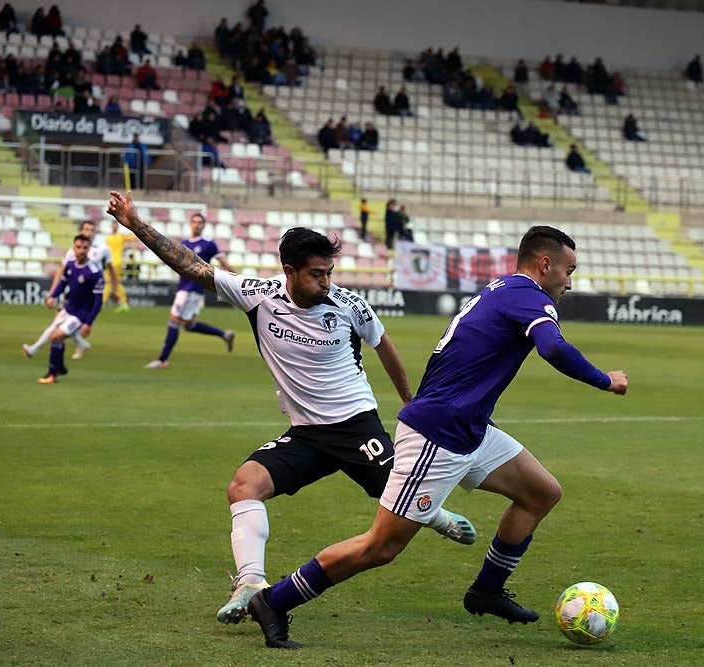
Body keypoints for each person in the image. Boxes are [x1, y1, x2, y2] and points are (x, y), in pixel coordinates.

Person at [240, 225, 628, 649]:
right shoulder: (528, 296)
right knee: (380, 547)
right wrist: (605, 380)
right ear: (545, 264)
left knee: (541, 492)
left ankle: (487, 590)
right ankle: (274, 601)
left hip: (470, 427)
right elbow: (553, 348)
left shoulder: (502, 289)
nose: (569, 282)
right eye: (569, 271)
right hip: (438, 434)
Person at [104, 191, 478, 627]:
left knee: (397, 500)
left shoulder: (349, 304)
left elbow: (383, 343)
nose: (326, 282)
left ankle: (434, 513)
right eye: (317, 274)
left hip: (356, 426)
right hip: (305, 434)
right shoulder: (258, 296)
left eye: (330, 272)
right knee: (244, 486)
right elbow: (190, 264)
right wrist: (135, 223)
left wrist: (410, 402)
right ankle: (250, 583)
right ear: (289, 271)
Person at [143, 213, 236, 369]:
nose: (197, 225)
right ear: (190, 224)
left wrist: (236, 279)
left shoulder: (208, 244)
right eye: (194, 222)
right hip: (184, 287)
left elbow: (223, 262)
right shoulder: (185, 243)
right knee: (187, 324)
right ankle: (224, 334)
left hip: (192, 288)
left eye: (200, 222)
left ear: (204, 225)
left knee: (174, 321)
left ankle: (162, 360)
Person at [22, 234, 104, 384]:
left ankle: (52, 374)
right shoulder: (71, 265)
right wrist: (52, 296)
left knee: (55, 337)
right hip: (68, 309)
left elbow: (98, 302)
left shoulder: (94, 273)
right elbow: (62, 284)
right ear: (74, 248)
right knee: (53, 334)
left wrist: (88, 323)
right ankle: (59, 367)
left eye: (85, 248)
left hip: (80, 316)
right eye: (78, 247)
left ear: (89, 249)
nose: (81, 251)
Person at [31, 220, 115, 360]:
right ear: (81, 231)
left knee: (62, 329)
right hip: (73, 292)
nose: (89, 232)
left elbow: (110, 269)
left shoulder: (102, 249)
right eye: (86, 229)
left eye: (92, 230)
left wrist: (115, 288)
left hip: (89, 293)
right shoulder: (73, 251)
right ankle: (77, 345)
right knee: (60, 323)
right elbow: (63, 273)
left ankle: (56, 360)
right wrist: (52, 294)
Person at [101, 219, 135, 312]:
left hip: (114, 263)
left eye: (115, 225)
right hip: (114, 263)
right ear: (112, 226)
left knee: (109, 283)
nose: (114, 226)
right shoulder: (113, 238)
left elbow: (132, 238)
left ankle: (103, 303)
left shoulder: (114, 238)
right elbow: (133, 237)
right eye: (113, 225)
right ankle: (124, 303)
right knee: (115, 283)